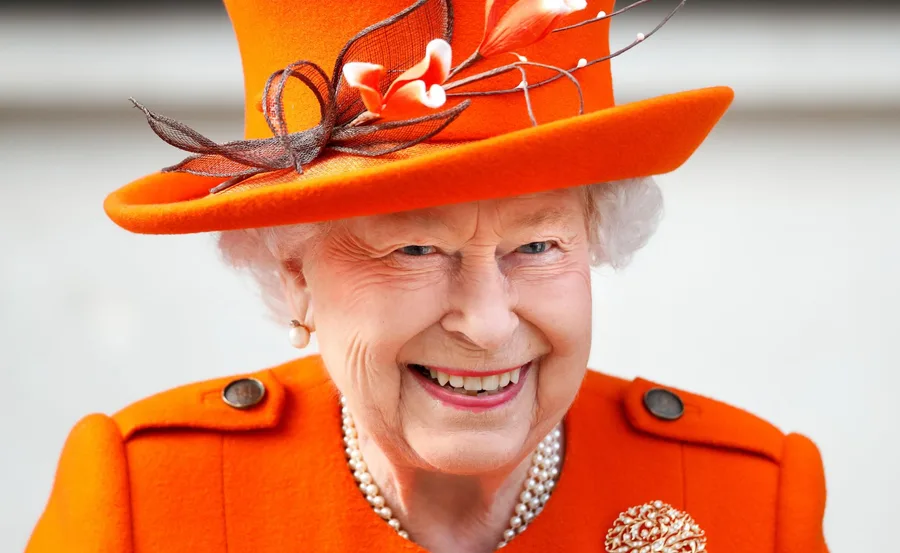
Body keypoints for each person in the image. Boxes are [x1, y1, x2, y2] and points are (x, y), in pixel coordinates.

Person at [26, 0, 829, 552]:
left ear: (598, 241)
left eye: (539, 246)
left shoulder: (746, 502)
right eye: (415, 250)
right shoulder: (152, 500)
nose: (485, 322)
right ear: (293, 268)